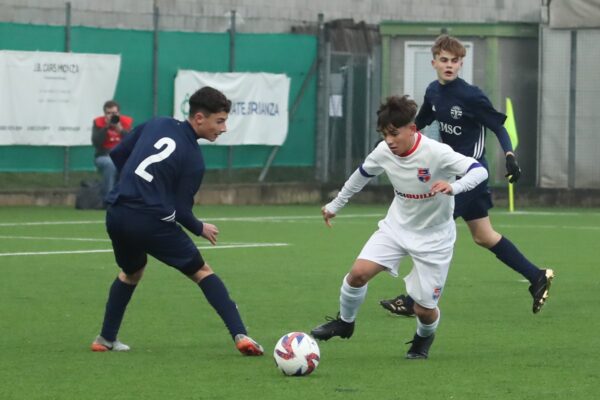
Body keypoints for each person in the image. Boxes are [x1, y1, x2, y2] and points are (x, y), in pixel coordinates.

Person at [380, 34, 554, 317]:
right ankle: (536, 276)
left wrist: (509, 155)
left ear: (461, 63)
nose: (449, 65)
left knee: (430, 230)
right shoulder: (433, 92)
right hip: (452, 174)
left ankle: (414, 301)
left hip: (469, 177)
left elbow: (498, 127)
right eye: (444, 60)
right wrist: (394, 137)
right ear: (434, 62)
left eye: (455, 61)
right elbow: (421, 122)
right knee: (484, 236)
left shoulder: (471, 96)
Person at [310, 95, 488, 359]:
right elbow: (361, 175)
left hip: (434, 238)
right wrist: (336, 204)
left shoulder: (436, 153)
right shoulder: (383, 151)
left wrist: (454, 186)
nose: (389, 140)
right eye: (384, 134)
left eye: (394, 133)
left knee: (424, 310)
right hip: (396, 228)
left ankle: (422, 339)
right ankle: (345, 323)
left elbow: (479, 171)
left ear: (412, 129)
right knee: (357, 274)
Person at [90, 86, 264, 356]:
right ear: (198, 118)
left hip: (117, 213)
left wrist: (134, 184)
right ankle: (241, 335)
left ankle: (105, 339)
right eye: (219, 121)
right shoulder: (194, 159)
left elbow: (118, 154)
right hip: (150, 221)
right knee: (202, 271)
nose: (224, 128)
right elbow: (181, 210)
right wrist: (200, 227)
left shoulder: (157, 122)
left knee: (131, 271)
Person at [91, 100, 133, 197]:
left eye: (114, 113)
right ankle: (109, 198)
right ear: (104, 114)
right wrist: (106, 127)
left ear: (119, 113)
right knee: (110, 164)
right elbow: (96, 143)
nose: (111, 116)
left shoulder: (125, 123)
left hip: (122, 155)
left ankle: (128, 198)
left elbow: (132, 142)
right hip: (104, 156)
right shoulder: (98, 123)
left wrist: (120, 130)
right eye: (108, 113)